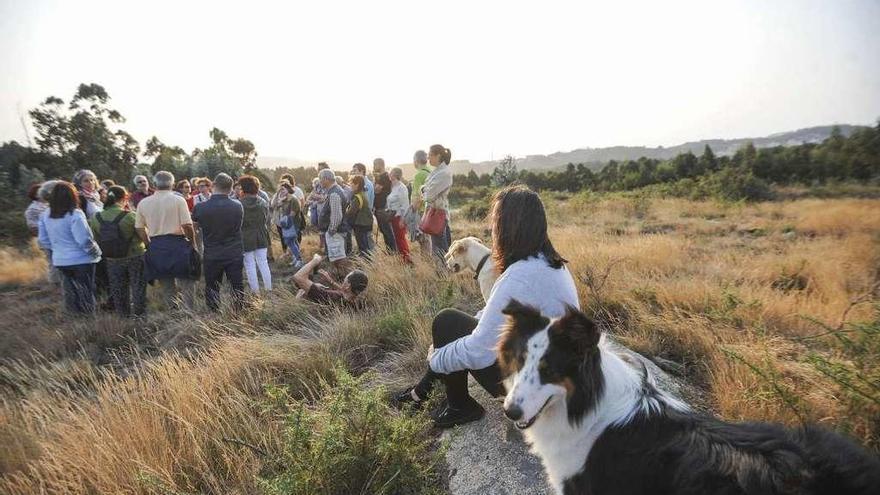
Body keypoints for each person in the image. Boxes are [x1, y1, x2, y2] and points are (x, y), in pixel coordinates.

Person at [394, 186, 579, 428]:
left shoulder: (519, 277)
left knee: (446, 322)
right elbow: (498, 315)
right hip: (556, 380)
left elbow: (479, 352)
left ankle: (458, 406)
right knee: (454, 326)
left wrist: (437, 360)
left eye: (495, 222)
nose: (491, 229)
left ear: (508, 228)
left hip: (535, 393)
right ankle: (424, 393)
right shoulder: (548, 263)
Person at [37, 181, 102, 314]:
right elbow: (84, 240)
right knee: (86, 293)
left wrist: (58, 249)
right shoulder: (75, 214)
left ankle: (74, 320)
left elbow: (43, 239)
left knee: (69, 293)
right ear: (72, 196)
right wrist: (96, 253)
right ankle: (89, 322)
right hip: (82, 260)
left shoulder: (45, 215)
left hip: (60, 260)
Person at [135, 171, 197, 309]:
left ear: (154, 184)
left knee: (167, 283)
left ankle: (173, 311)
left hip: (156, 245)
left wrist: (147, 243)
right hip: (178, 243)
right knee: (186, 280)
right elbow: (187, 225)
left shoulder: (143, 203)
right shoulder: (179, 200)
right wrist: (192, 242)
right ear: (173, 184)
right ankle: (189, 311)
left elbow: (139, 228)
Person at [89, 186, 147, 317]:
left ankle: (123, 317)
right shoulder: (130, 216)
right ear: (124, 198)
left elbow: (96, 238)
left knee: (118, 289)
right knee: (138, 286)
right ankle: (140, 316)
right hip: (135, 255)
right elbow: (143, 235)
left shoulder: (96, 218)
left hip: (112, 258)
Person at [192, 173, 245, 311]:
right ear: (231, 188)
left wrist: (199, 245)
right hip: (234, 252)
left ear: (213, 185)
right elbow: (238, 227)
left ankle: (213, 313)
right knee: (237, 285)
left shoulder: (200, 208)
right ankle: (239, 312)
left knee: (212, 286)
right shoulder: (237, 206)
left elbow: (195, 229)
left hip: (212, 252)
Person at [238, 175, 272, 293]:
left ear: (243, 188)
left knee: (250, 265)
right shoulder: (263, 202)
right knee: (263, 263)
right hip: (261, 234)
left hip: (246, 236)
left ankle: (255, 292)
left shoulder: (239, 204)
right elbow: (267, 219)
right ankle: (268, 289)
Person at [293, 254, 368, 306]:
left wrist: (316, 260)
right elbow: (346, 292)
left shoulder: (330, 297)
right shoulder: (357, 302)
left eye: (346, 278)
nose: (344, 279)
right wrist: (330, 281)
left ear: (348, 285)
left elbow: (298, 277)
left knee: (301, 291)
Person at [422, 144, 454, 261]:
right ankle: (441, 275)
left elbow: (429, 196)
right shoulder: (437, 171)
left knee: (439, 249)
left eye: (430, 155)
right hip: (434, 212)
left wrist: (424, 190)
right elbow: (426, 190)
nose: (428, 158)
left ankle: (443, 275)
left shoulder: (444, 173)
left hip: (438, 214)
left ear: (438, 155)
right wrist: (425, 190)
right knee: (437, 246)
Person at [317, 168, 350, 268]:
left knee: (338, 259)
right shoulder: (335, 190)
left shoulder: (334, 193)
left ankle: (342, 279)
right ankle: (340, 278)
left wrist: (331, 231)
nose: (319, 181)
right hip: (336, 232)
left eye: (320, 179)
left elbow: (337, 215)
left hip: (336, 232)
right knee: (337, 258)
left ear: (326, 179)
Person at [387, 167, 412, 263]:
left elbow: (405, 205)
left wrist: (402, 219)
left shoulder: (402, 188)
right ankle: (402, 259)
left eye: (391, 173)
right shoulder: (393, 187)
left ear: (395, 175)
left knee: (401, 239)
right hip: (392, 217)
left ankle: (407, 260)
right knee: (397, 239)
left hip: (399, 217)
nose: (389, 174)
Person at [410, 150, 434, 252]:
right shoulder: (431, 172)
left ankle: (426, 265)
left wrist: (411, 212)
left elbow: (417, 197)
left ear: (416, 160)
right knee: (428, 239)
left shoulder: (419, 175)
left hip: (421, 211)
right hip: (431, 210)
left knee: (423, 240)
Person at [278, 182, 305, 267]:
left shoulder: (293, 199)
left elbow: (292, 214)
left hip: (293, 224)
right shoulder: (285, 199)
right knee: (294, 242)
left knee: (289, 241)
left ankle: (299, 260)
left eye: (283, 189)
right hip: (287, 224)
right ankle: (296, 258)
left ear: (288, 189)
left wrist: (284, 220)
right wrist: (280, 199)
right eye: (280, 189)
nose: (281, 191)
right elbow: (276, 207)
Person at [346, 175, 373, 257]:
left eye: (352, 183)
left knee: (362, 246)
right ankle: (368, 261)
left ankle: (365, 263)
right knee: (365, 244)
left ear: (357, 184)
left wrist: (344, 212)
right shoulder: (362, 194)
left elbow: (351, 212)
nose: (350, 185)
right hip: (365, 223)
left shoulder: (357, 197)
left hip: (360, 224)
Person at [373, 170, 396, 253]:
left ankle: (392, 251)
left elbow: (376, 189)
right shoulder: (385, 177)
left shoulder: (383, 177)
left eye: (374, 164)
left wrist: (375, 182)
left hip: (382, 208)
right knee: (385, 231)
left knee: (387, 231)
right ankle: (390, 251)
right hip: (382, 207)